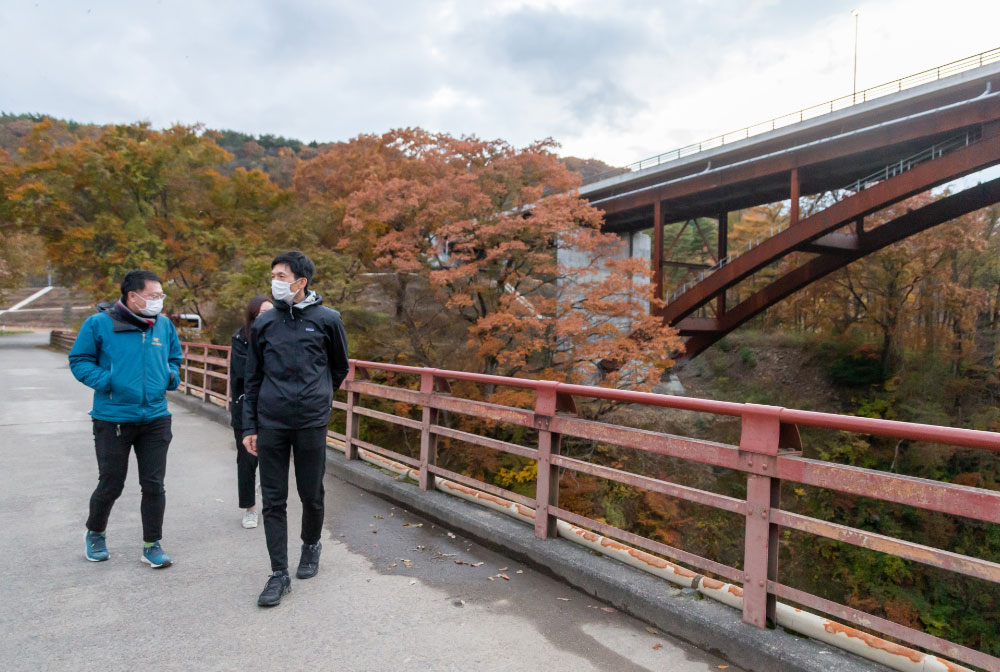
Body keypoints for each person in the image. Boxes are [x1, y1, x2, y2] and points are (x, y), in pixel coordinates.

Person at [242, 251, 349, 607]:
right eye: (273, 275)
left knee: (310, 493)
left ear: (301, 282)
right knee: (273, 500)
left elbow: (339, 367)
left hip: (310, 422)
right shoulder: (264, 323)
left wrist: (320, 396)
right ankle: (278, 573)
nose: (274, 281)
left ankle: (311, 545)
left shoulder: (328, 320)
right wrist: (250, 426)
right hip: (271, 422)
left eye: (281, 276)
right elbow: (252, 378)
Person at [68, 270, 182, 568]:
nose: (159, 301)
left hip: (156, 417)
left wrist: (171, 377)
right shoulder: (98, 324)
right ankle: (95, 533)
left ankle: (152, 544)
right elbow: (79, 360)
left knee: (154, 485)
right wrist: (108, 381)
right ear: (133, 296)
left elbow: (174, 358)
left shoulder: (163, 325)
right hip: (113, 418)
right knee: (111, 483)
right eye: (154, 295)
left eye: (161, 295)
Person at [229, 295, 273, 529]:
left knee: (271, 459)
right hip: (245, 407)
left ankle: (271, 504)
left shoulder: (280, 336)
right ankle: (250, 508)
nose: (267, 317)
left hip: (273, 408)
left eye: (271, 312)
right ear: (252, 316)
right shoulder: (240, 338)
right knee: (247, 459)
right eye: (262, 314)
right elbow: (244, 373)